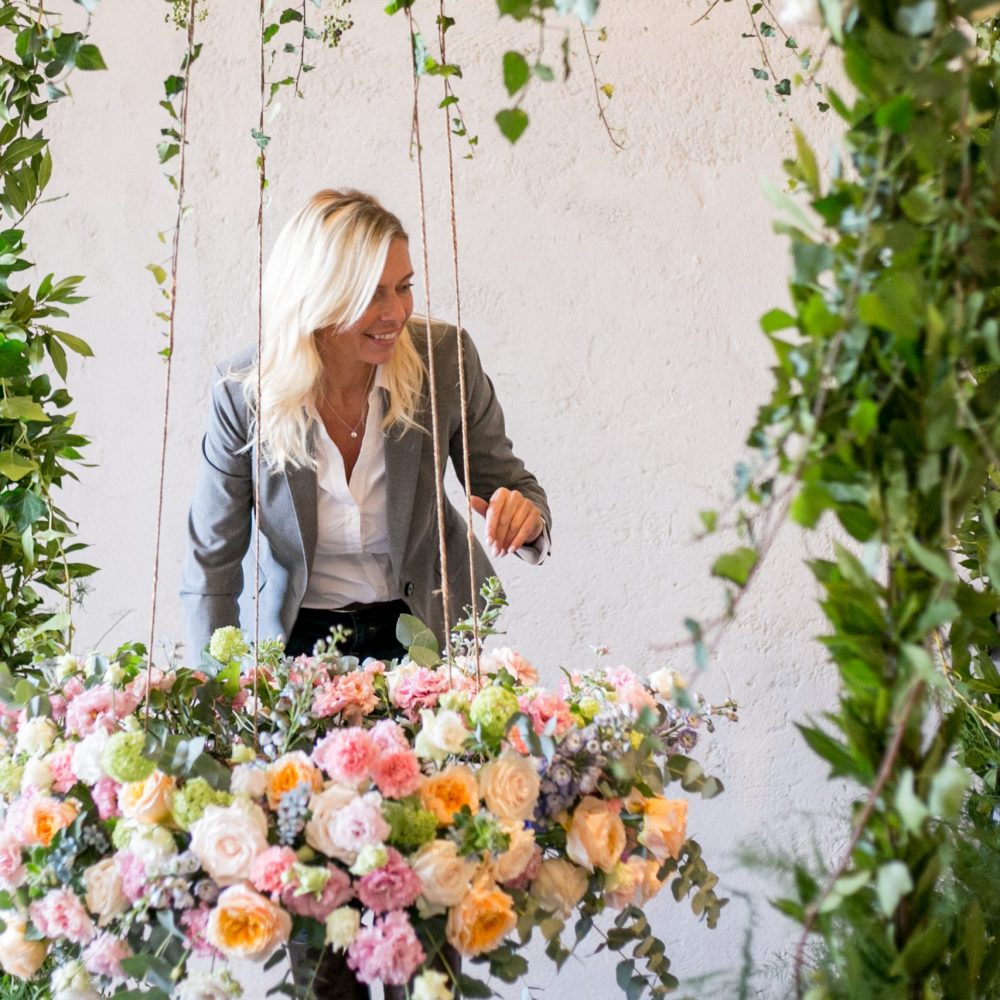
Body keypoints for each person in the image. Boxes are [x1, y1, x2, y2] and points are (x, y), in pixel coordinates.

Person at [180, 189, 551, 998]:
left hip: (423, 652)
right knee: (320, 909)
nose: (396, 311)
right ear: (318, 298)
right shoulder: (244, 393)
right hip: (299, 662)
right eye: (373, 292)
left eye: (404, 286)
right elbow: (211, 562)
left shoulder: (445, 360)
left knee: (430, 898)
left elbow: (507, 483)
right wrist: (212, 711)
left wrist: (524, 515)